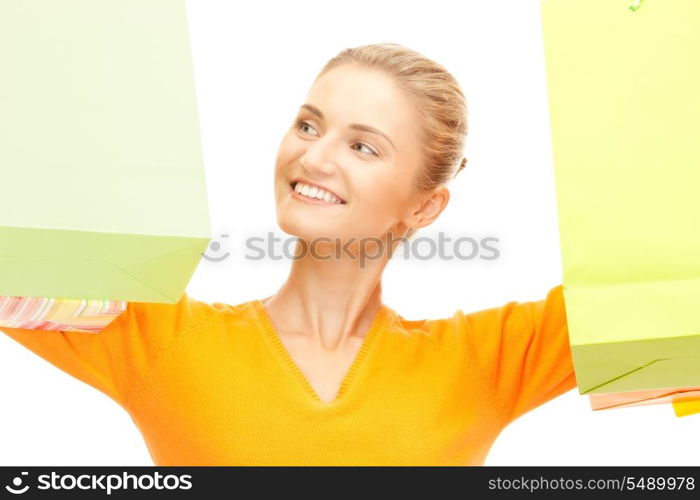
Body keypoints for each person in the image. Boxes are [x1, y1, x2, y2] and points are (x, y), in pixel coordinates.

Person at [1, 43, 577, 466]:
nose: (314, 158)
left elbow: (657, 287)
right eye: (308, 125)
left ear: (425, 208)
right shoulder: (159, 337)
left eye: (361, 146)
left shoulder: (489, 360)